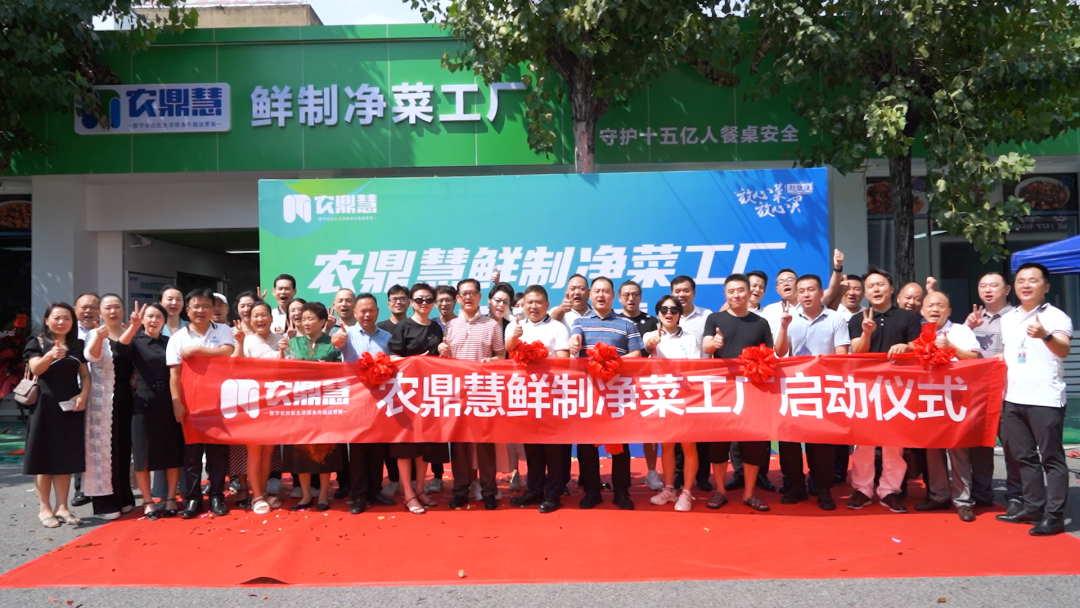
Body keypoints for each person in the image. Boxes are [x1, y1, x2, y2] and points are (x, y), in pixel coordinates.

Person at [995, 263, 1072, 536]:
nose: (1026, 285)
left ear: (1046, 286)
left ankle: (1054, 516)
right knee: (1024, 457)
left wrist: (1045, 335)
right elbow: (1010, 354)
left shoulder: (1056, 317)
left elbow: (1063, 350)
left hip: (1045, 399)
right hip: (1013, 397)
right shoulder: (1008, 318)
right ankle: (1033, 507)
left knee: (1051, 458)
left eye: (1033, 280)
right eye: (1021, 280)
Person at [702, 274, 787, 512]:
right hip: (722, 392)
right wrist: (714, 343)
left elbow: (770, 355)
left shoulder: (760, 323)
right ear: (725, 294)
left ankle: (749, 493)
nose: (736, 295)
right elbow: (706, 345)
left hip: (752, 392)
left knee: (753, 444)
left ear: (749, 293)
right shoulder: (715, 318)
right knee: (718, 445)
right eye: (731, 291)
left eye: (740, 290)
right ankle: (720, 490)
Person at [847, 268, 921, 513]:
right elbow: (857, 351)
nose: (876, 289)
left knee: (894, 442)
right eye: (870, 286)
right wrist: (866, 333)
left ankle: (890, 490)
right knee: (864, 442)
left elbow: (919, 346)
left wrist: (906, 347)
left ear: (891, 289)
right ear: (865, 292)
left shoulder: (908, 317)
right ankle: (863, 489)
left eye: (880, 285)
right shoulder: (857, 319)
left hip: (898, 388)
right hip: (866, 387)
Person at [569, 277, 643, 510]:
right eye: (597, 291)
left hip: (617, 393)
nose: (601, 295)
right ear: (590, 295)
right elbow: (575, 342)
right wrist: (574, 343)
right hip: (589, 394)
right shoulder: (580, 322)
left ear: (613, 296)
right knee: (587, 445)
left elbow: (637, 354)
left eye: (606, 291)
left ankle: (621, 492)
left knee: (620, 445)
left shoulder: (626, 324)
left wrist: (611, 362)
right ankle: (592, 491)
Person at [779, 274, 851, 511]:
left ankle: (823, 488)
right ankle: (795, 485)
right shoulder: (790, 318)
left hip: (824, 389)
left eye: (811, 290)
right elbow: (780, 352)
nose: (806, 294)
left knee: (821, 443)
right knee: (789, 440)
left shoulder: (836, 319)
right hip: (794, 388)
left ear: (821, 294)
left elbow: (842, 355)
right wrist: (783, 327)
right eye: (801, 291)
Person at [168, 288, 235, 519]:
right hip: (191, 403)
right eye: (196, 306)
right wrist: (177, 403)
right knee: (192, 456)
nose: (201, 310)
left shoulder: (223, 330)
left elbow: (227, 351)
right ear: (188, 311)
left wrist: (197, 349)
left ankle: (217, 496)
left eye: (206, 306)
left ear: (213, 309)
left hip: (219, 402)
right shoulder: (178, 338)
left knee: (218, 454)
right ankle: (193, 499)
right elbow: (174, 374)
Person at [441, 278, 507, 510]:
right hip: (457, 393)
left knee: (484, 443)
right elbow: (445, 360)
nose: (468, 297)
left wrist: (492, 361)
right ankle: (461, 490)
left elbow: (501, 356)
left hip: (482, 392)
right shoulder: (450, 326)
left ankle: (489, 491)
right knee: (459, 445)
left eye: (472, 293)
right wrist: (443, 352)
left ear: (480, 297)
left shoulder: (492, 325)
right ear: (458, 298)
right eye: (464, 294)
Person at [916, 291, 982, 521]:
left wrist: (951, 347)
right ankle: (938, 495)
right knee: (933, 449)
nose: (935, 309)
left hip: (956, 399)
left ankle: (963, 500)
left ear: (949, 310)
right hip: (927, 399)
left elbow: (975, 359)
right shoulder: (917, 332)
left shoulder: (961, 331)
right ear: (922, 310)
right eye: (930, 305)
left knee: (958, 450)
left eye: (940, 305)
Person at [24, 302, 91, 528]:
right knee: (43, 457)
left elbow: (85, 375)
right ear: (47, 320)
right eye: (57, 318)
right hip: (44, 406)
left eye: (66, 318)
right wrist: (50, 355)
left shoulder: (77, 345)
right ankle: (45, 508)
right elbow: (36, 369)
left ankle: (62, 507)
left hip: (69, 407)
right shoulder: (37, 342)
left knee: (65, 457)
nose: (61, 322)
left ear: (73, 322)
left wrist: (83, 395)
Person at [330, 293, 398, 514]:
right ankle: (358, 495)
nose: (367, 314)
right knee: (358, 449)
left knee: (378, 448)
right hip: (356, 401)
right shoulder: (346, 334)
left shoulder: (387, 337)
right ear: (355, 313)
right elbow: (334, 346)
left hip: (380, 401)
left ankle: (375, 491)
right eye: (363, 311)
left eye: (371, 310)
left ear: (377, 312)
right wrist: (336, 340)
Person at [506, 285, 570, 514]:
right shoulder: (516, 326)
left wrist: (540, 359)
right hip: (526, 396)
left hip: (552, 395)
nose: (534, 306)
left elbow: (564, 360)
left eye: (538, 302)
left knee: (553, 449)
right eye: (529, 302)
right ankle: (534, 490)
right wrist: (515, 337)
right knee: (532, 447)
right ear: (523, 305)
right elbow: (508, 351)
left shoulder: (558, 327)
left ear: (547, 305)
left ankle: (553, 494)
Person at [117, 302, 184, 520]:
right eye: (150, 316)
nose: (153, 320)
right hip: (143, 401)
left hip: (169, 399)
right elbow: (120, 348)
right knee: (142, 453)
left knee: (172, 450)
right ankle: (148, 501)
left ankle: (171, 497)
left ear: (164, 321)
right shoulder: (135, 341)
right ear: (143, 319)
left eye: (158, 317)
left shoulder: (170, 342)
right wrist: (133, 327)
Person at [387, 283, 447, 514]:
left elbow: (439, 361)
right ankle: (408, 493)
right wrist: (415, 362)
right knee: (405, 447)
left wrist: (444, 354)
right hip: (406, 395)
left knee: (424, 445)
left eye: (429, 299)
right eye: (419, 299)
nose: (424, 303)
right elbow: (392, 357)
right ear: (412, 302)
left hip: (428, 395)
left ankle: (420, 490)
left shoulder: (436, 327)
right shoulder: (403, 326)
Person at [281, 302, 343, 512]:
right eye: (303, 319)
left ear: (323, 321)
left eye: (311, 319)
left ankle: (324, 494)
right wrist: (282, 352)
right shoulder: (293, 343)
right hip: (299, 406)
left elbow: (342, 372)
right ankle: (306, 494)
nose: (306, 322)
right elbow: (283, 370)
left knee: (324, 450)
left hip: (325, 405)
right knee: (301, 451)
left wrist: (329, 370)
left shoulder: (332, 344)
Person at [643, 295, 701, 512]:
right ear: (658, 314)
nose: (669, 313)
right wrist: (652, 344)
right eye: (664, 310)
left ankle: (686, 492)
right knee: (666, 445)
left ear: (679, 314)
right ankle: (669, 489)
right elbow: (646, 346)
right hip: (661, 397)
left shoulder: (690, 339)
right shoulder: (651, 335)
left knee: (688, 446)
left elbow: (695, 370)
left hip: (685, 398)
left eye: (674, 310)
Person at [82, 294, 137, 520]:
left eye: (116, 307)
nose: (112, 311)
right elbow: (90, 357)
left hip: (127, 396)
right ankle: (106, 502)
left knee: (124, 448)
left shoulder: (128, 332)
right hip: (103, 398)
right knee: (105, 450)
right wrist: (98, 337)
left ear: (122, 310)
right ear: (100, 312)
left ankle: (124, 497)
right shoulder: (95, 333)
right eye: (108, 308)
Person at [964, 271, 1015, 512]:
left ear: (1007, 290)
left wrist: (1008, 356)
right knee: (980, 446)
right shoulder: (973, 319)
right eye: (983, 285)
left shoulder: (1016, 318)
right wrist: (967, 327)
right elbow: (960, 349)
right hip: (979, 393)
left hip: (1008, 392)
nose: (988, 290)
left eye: (994, 285)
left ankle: (1016, 496)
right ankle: (981, 493)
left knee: (1013, 447)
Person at [232, 301, 286, 514]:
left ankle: (262, 492)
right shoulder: (245, 340)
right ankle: (256, 496)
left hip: (274, 402)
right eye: (256, 315)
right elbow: (235, 366)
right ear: (250, 319)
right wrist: (238, 343)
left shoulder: (281, 339)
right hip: (252, 402)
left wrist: (283, 351)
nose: (260, 319)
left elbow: (287, 370)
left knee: (268, 449)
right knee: (254, 449)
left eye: (264, 315)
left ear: (271, 318)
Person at [670, 275, 714, 493]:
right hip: (673, 385)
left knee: (701, 432)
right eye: (677, 291)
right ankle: (678, 474)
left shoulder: (707, 316)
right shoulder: (667, 316)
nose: (681, 295)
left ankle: (702, 475)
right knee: (677, 432)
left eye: (686, 290)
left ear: (694, 293)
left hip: (700, 383)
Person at [618, 280, 662, 489]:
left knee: (650, 431)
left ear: (641, 297)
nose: (631, 298)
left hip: (646, 383)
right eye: (626, 295)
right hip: (619, 383)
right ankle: (621, 474)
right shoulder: (614, 320)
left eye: (635, 294)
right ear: (620, 298)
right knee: (620, 431)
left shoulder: (652, 321)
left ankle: (652, 472)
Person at [487, 282, 523, 491]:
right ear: (489, 301)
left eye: (505, 302)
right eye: (497, 300)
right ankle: (486, 477)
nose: (500, 305)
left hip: (509, 384)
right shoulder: (481, 322)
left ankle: (516, 471)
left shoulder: (513, 325)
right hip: (484, 386)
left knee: (513, 433)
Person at [70, 293, 100, 508]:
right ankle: (81, 489)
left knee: (103, 440)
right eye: (84, 307)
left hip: (105, 393)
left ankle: (106, 485)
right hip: (78, 393)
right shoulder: (69, 335)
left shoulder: (107, 332)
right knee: (80, 441)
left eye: (93, 307)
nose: (88, 311)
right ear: (75, 310)